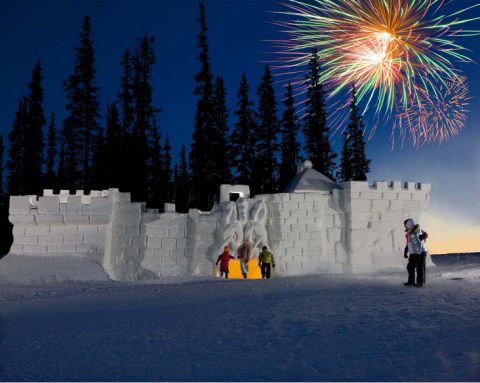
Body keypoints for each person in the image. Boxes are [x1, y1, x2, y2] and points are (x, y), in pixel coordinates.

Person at [403, 218, 428, 287]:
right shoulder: (410, 232)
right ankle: (412, 281)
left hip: (419, 252)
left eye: (405, 225)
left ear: (408, 225)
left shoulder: (416, 231)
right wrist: (406, 251)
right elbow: (409, 243)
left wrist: (417, 253)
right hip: (414, 252)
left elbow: (419, 242)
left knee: (419, 267)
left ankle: (419, 283)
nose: (405, 226)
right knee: (411, 267)